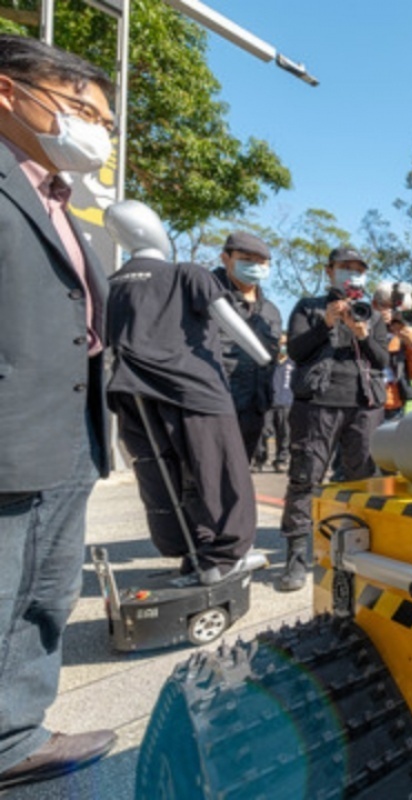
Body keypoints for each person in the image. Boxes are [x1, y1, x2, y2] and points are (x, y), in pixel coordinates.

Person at [0, 35, 117, 788]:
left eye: (103, 118)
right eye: (81, 109)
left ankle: (14, 736)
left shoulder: (62, 202)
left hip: (69, 426)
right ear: (9, 92)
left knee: (44, 592)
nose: (97, 130)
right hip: (13, 421)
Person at [106, 207, 264, 586]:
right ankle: (224, 557)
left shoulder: (109, 284)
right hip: (196, 389)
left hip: (134, 393)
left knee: (162, 475)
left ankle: (192, 553)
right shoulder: (187, 274)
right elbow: (229, 320)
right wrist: (261, 355)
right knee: (219, 474)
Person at [278, 247, 389, 592]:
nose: (352, 275)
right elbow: (295, 351)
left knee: (363, 480)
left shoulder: (371, 315)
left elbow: (383, 359)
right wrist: (327, 322)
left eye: (358, 269)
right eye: (345, 268)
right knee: (304, 478)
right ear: (330, 271)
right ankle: (296, 558)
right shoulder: (308, 307)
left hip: (364, 406)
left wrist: (362, 333)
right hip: (317, 405)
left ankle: (362, 551)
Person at [213, 231, 281, 461]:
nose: (254, 266)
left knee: (239, 474)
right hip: (216, 403)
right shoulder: (208, 299)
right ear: (225, 258)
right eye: (246, 259)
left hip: (255, 407)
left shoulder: (270, 310)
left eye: (261, 261)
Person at [372, 281, 412, 421]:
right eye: (388, 307)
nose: (395, 314)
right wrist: (377, 324)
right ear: (375, 304)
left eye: (401, 311)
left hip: (393, 407)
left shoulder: (404, 335)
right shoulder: (363, 325)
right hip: (365, 403)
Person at [255, 335, 293, 472]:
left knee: (285, 434)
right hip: (268, 404)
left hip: (286, 404)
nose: (282, 347)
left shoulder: (292, 364)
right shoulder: (268, 363)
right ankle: (259, 459)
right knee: (263, 432)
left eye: (285, 343)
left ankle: (281, 460)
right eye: (280, 343)